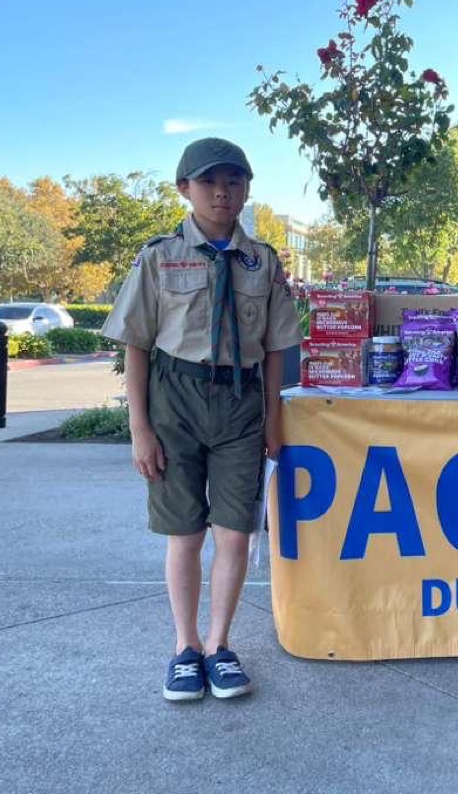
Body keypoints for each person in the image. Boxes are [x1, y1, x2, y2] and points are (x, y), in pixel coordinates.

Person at [102, 138, 302, 702]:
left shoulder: (262, 259)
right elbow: (136, 346)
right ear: (184, 188)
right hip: (176, 400)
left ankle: (220, 646)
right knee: (184, 532)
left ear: (247, 190)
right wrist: (140, 429)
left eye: (235, 181)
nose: (223, 192)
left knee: (235, 531)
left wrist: (272, 418)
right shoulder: (159, 257)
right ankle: (185, 648)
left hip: (240, 402)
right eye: (210, 181)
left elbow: (274, 348)